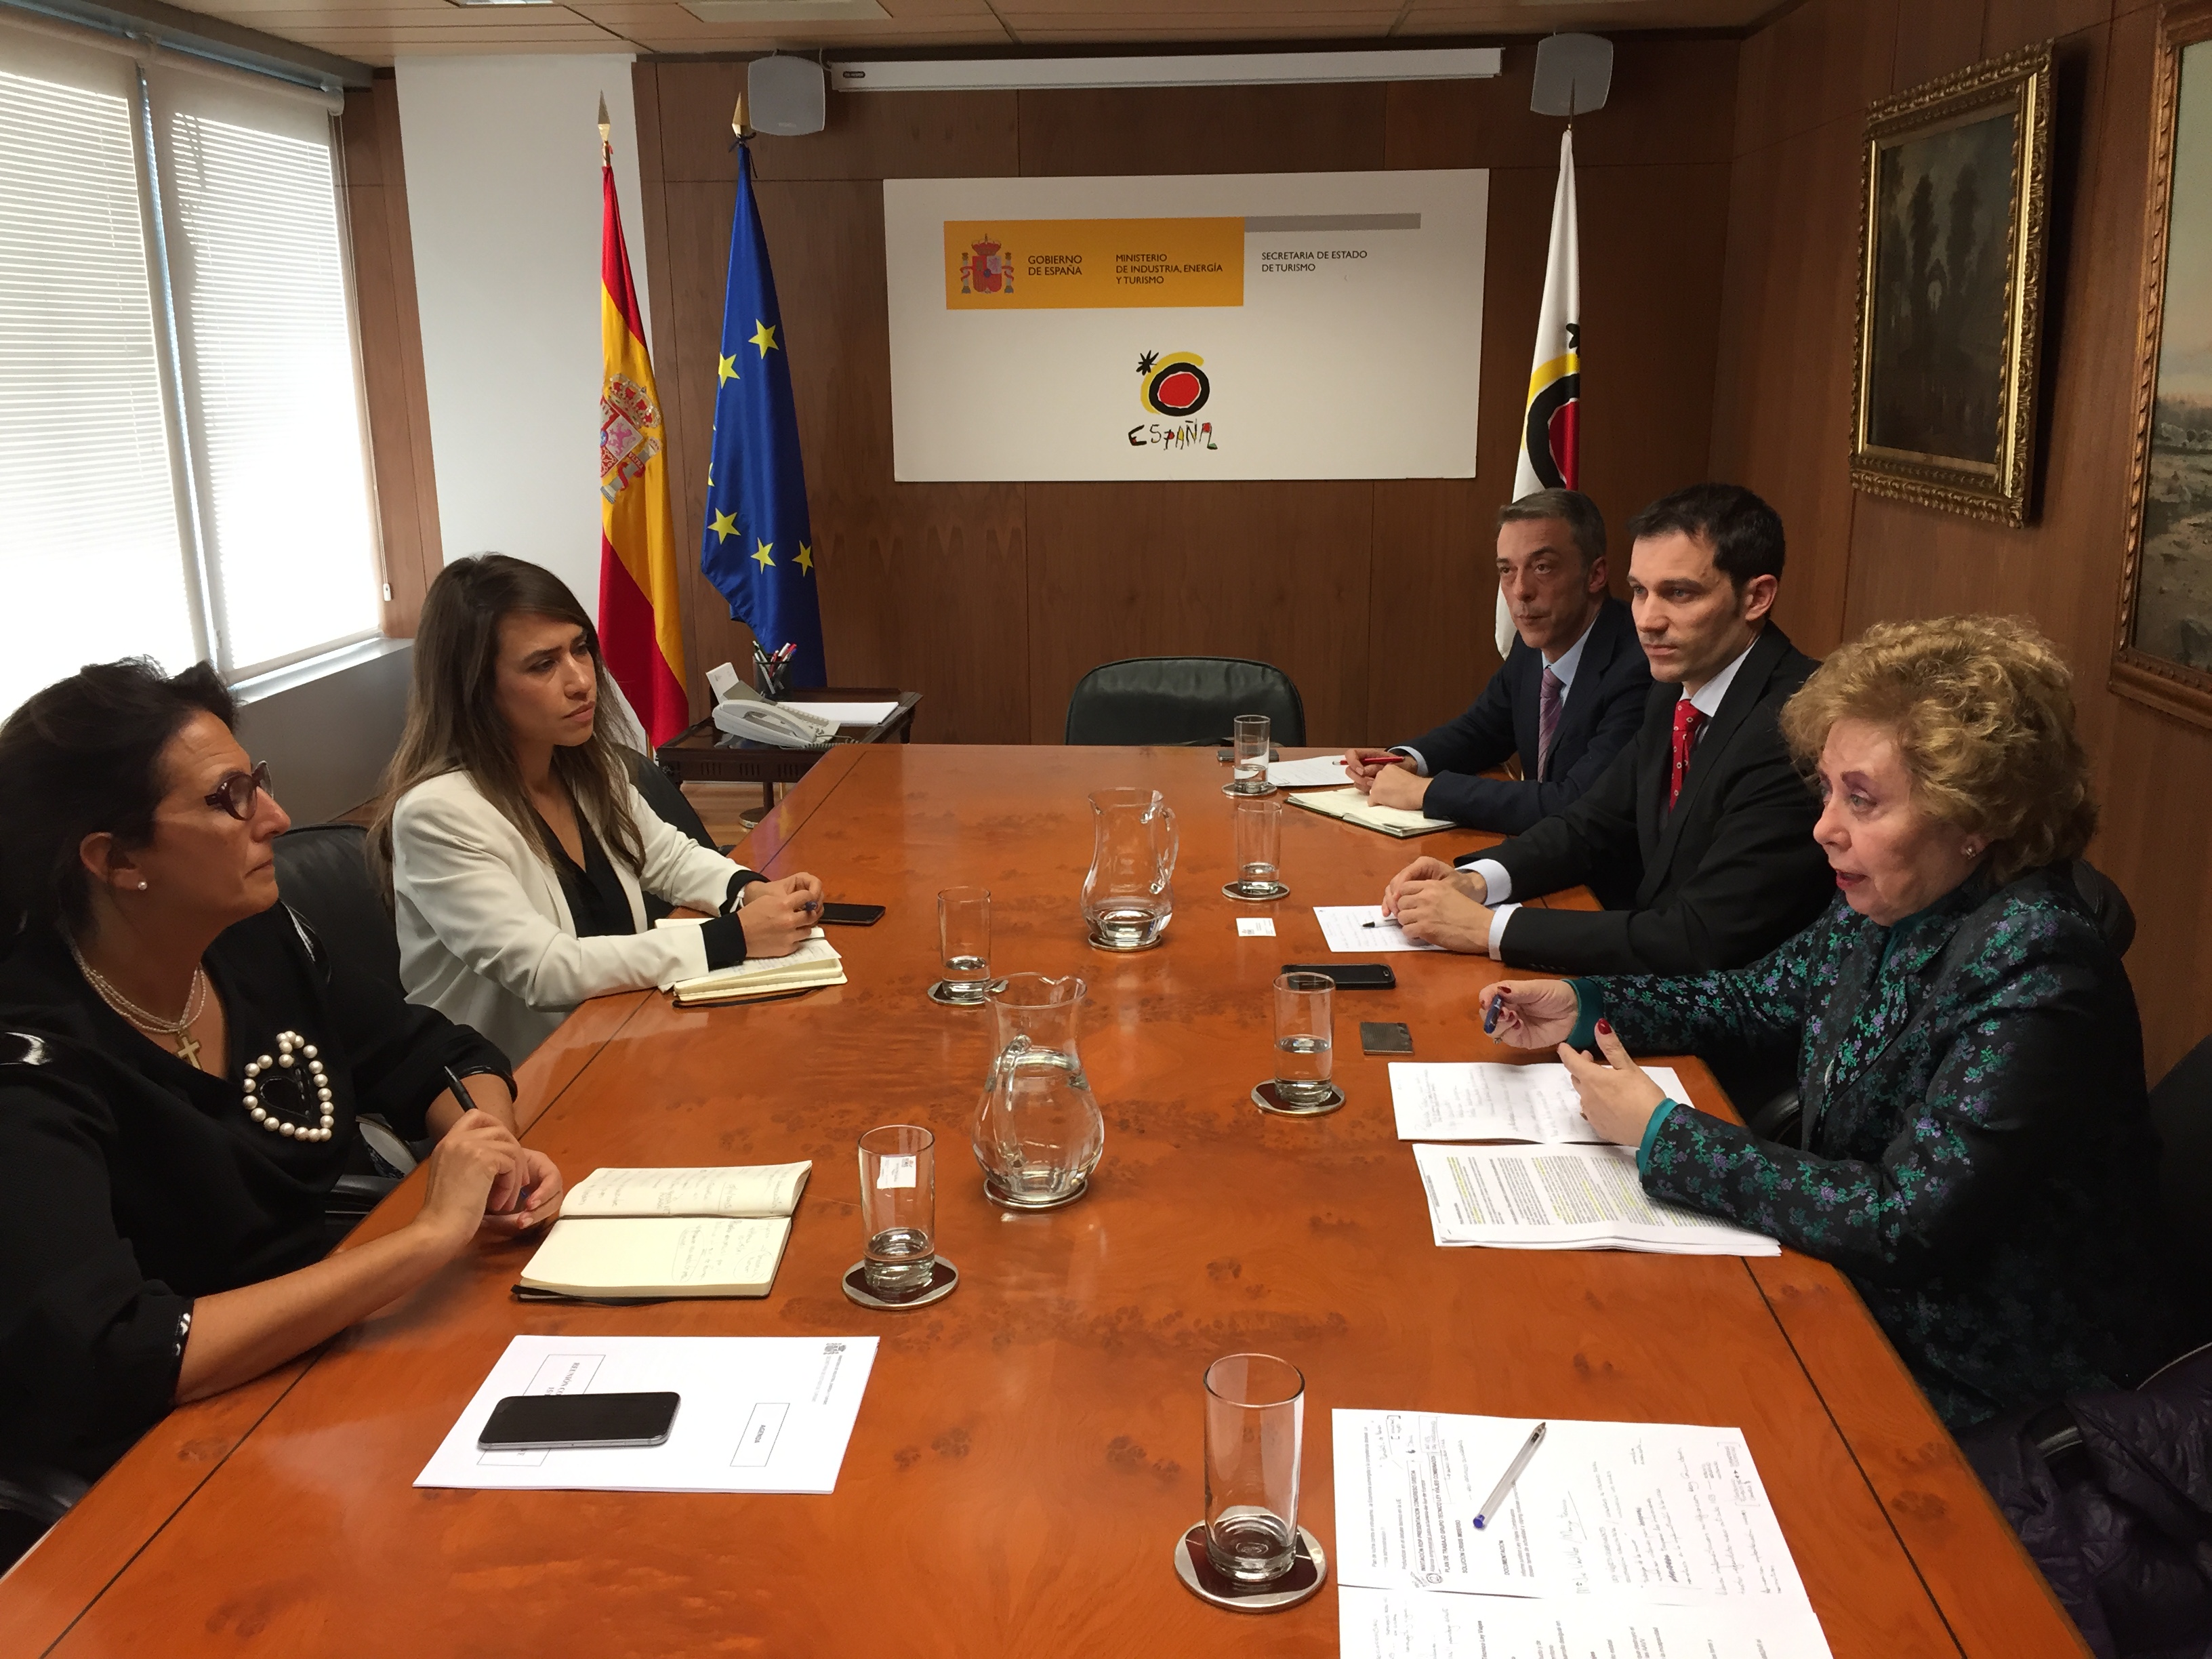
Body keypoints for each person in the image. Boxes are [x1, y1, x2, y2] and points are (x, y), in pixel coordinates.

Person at [1477, 615, 2182, 1429]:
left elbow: (1905, 1222)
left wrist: (1664, 1133)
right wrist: (1588, 1005)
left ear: (1976, 818)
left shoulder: (2040, 963)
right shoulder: (1891, 899)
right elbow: (1756, 999)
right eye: (1828, 790)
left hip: (1988, 1379)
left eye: (1863, 801)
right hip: (1851, 1296)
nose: (1824, 828)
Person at [0, 660, 562, 1490]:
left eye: (256, 781)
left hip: (330, 1354)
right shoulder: (28, 1061)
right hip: (169, 1454)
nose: (276, 817)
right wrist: (426, 1238)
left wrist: (491, 1154)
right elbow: (123, 1354)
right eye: (227, 799)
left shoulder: (250, 938)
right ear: (115, 858)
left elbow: (434, 1054)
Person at [374, 556, 825, 1063]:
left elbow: (668, 859)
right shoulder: (436, 815)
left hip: (618, 1037)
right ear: (474, 688)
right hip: (514, 1081)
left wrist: (749, 890)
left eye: (580, 649)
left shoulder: (586, 766)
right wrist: (733, 938)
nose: (581, 681)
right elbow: (545, 970)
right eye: (543, 665)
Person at [1381, 483, 1832, 975]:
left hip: (1732, 1002)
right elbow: (1591, 823)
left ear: (1756, 597)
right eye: (1640, 591)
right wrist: (1477, 879)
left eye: (1679, 593)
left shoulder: (1792, 724)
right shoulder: (1677, 687)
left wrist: (1489, 930)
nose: (1649, 620)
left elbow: (1701, 937)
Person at [1343, 489, 1650, 832]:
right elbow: (1483, 730)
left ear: (1595, 575)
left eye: (1542, 567)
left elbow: (1576, 803)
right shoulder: (1533, 643)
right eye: (1507, 570)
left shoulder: (1640, 666)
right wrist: (1405, 761)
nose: (1520, 590)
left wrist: (1425, 792)